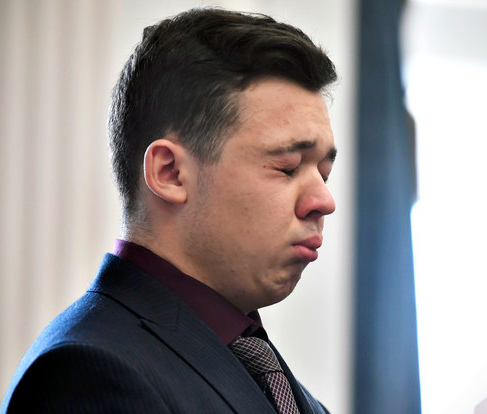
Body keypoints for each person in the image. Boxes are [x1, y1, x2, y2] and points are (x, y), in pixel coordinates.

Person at [1, 8, 337, 414]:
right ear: (170, 173)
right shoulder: (87, 374)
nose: (325, 201)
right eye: (287, 167)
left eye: (324, 174)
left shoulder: (264, 372)